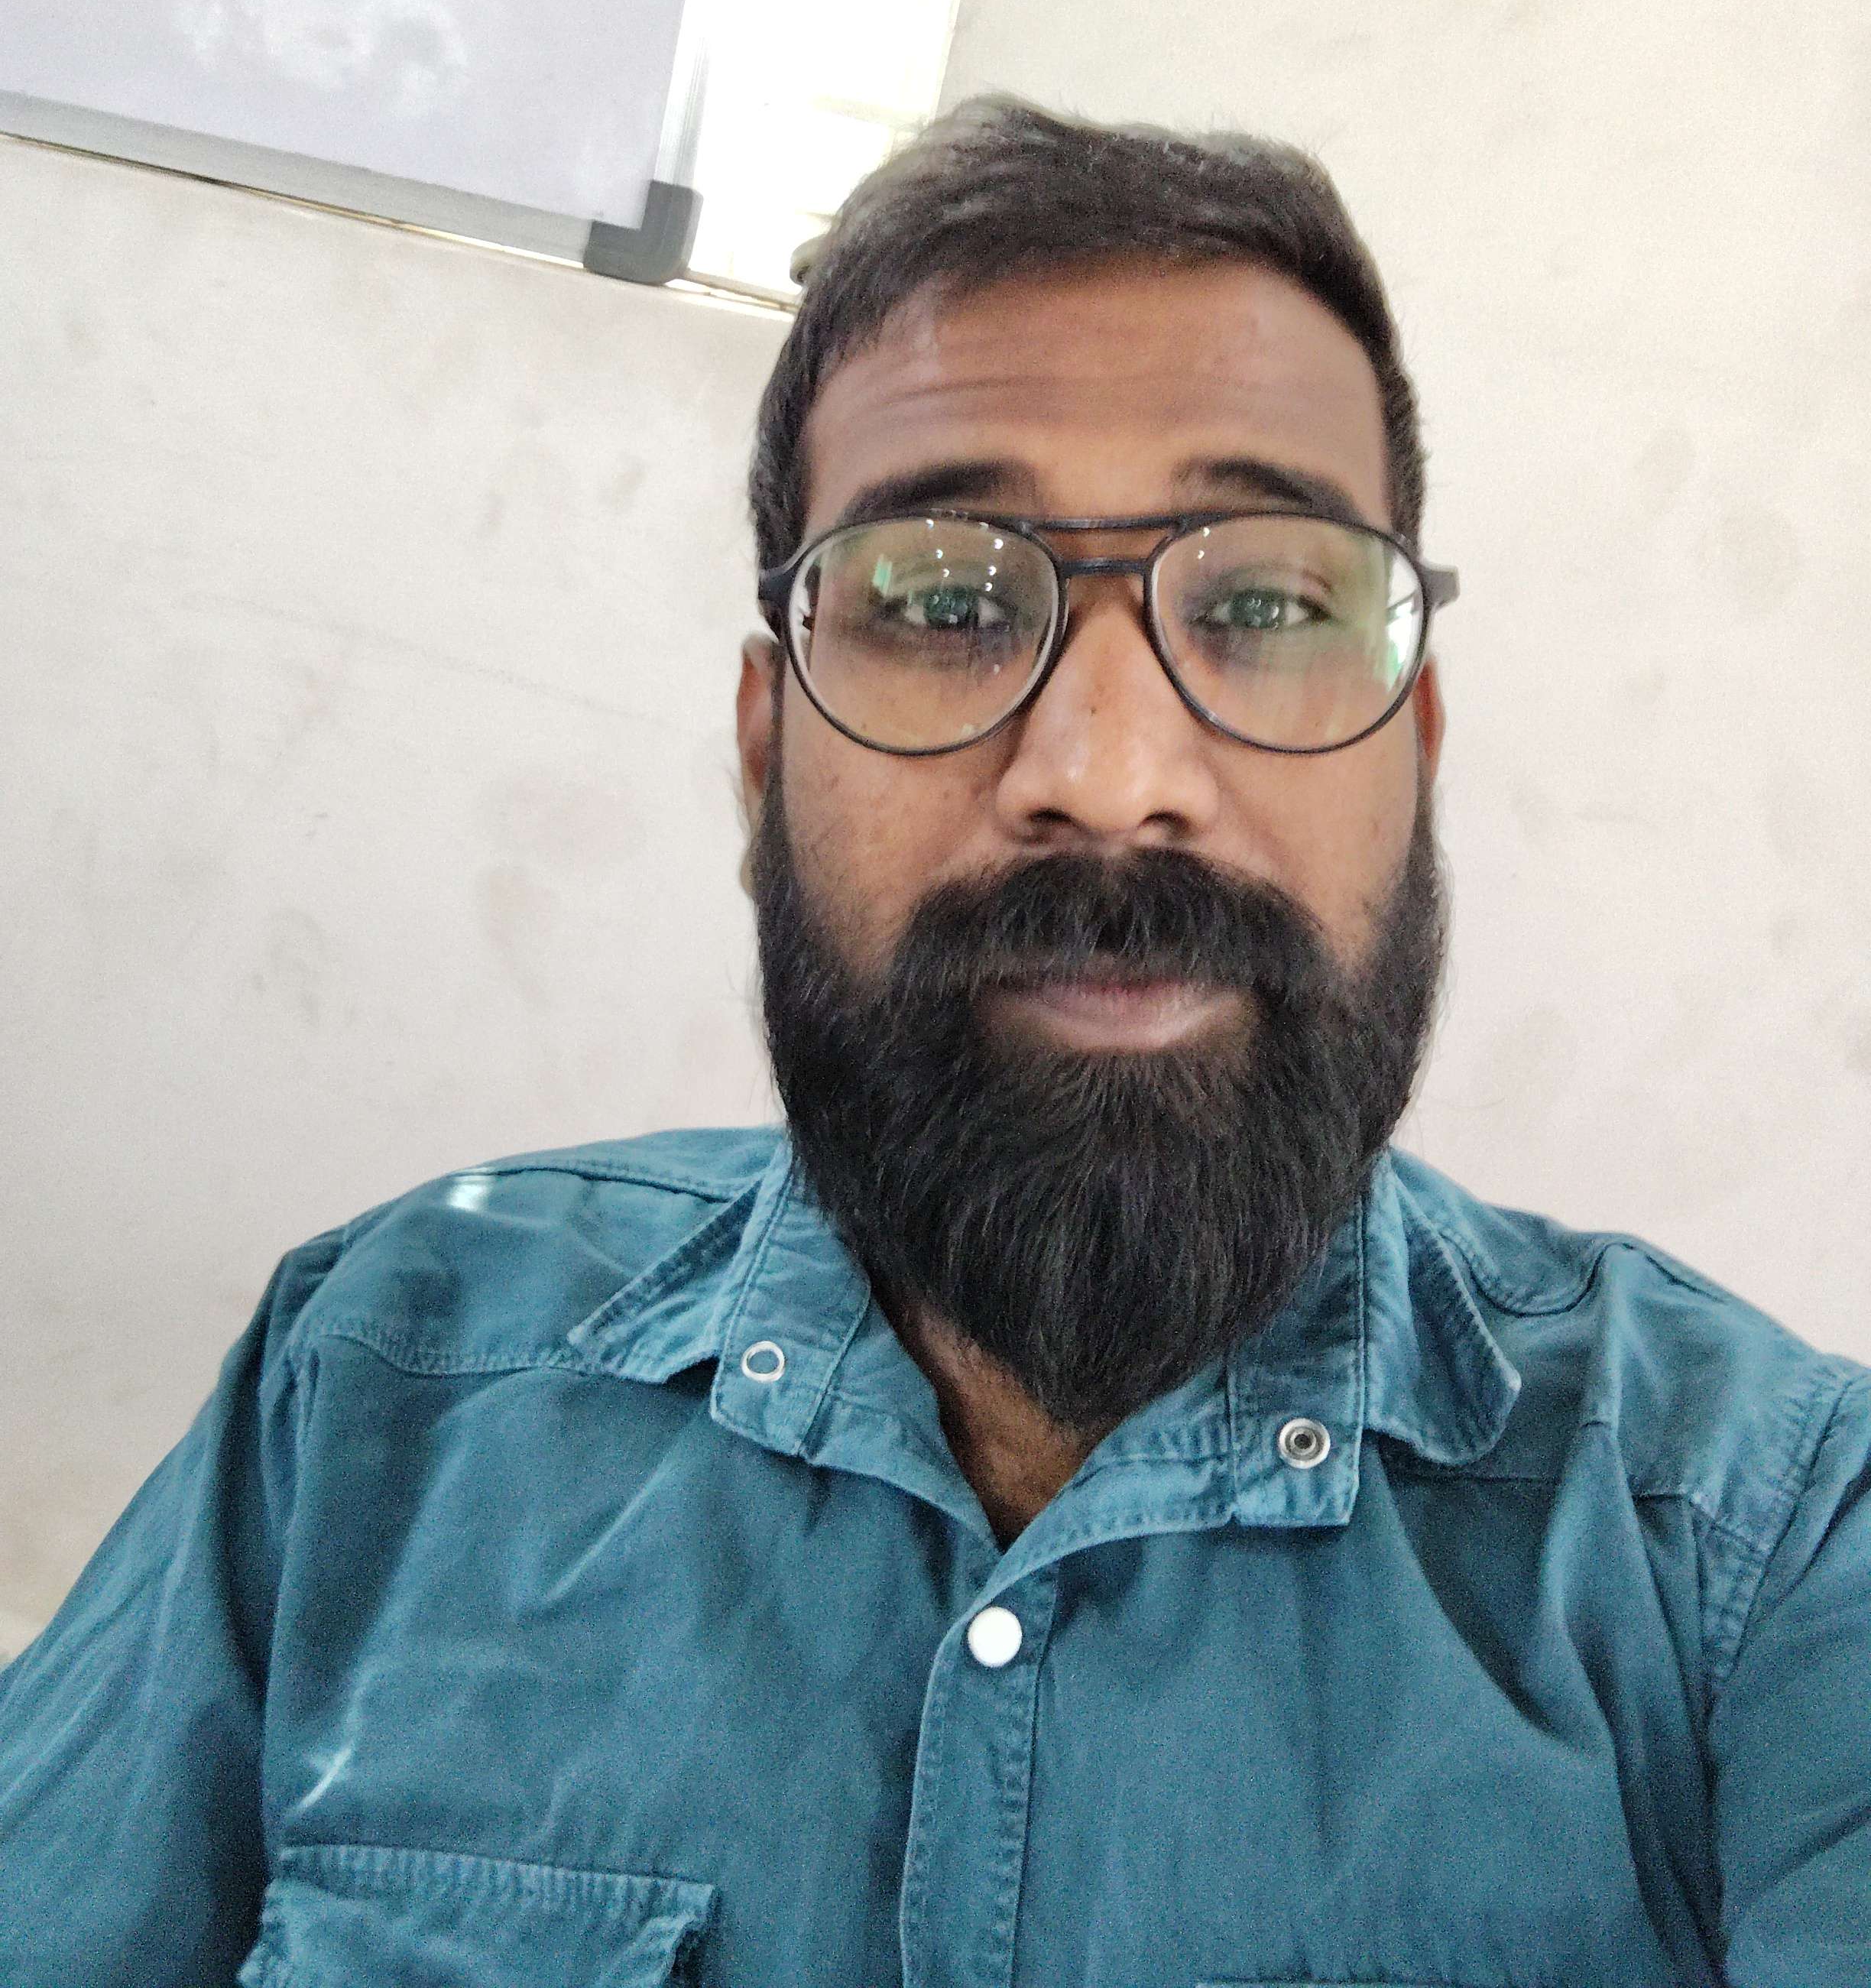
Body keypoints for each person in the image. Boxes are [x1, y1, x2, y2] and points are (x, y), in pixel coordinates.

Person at [0, 99, 1865, 1986]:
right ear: (764, 757)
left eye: (1265, 604)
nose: (1109, 776)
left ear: (1417, 747)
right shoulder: (378, 1387)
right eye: (949, 604)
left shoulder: (1767, 1558)